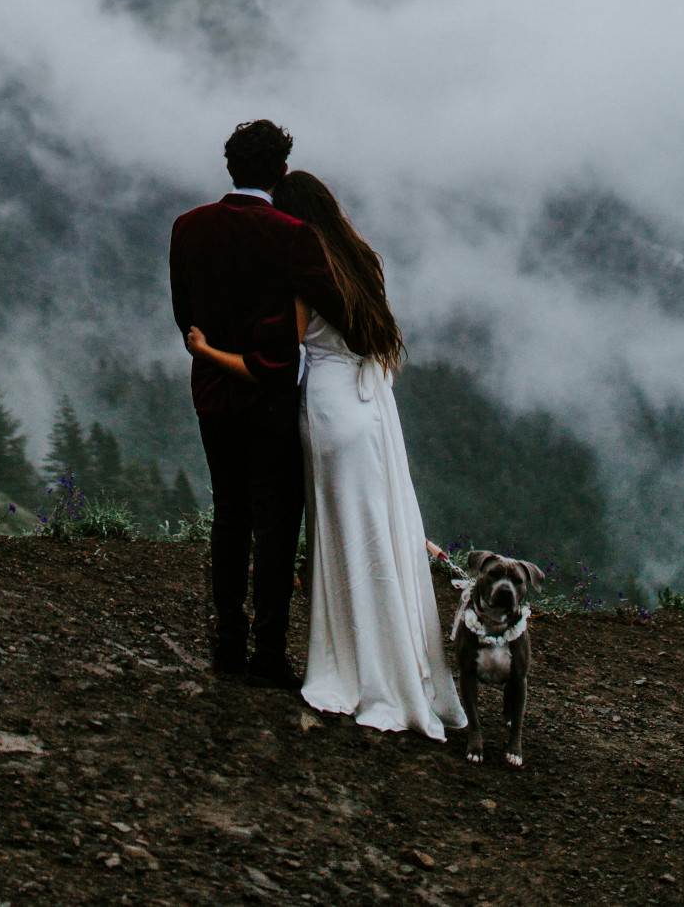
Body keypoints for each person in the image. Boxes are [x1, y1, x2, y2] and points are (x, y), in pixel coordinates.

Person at [188, 168, 464, 742]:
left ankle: (357, 668)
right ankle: (398, 663)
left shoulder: (301, 271)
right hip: (370, 411)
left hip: (329, 411)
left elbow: (279, 358)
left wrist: (208, 350)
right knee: (377, 534)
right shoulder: (360, 263)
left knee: (343, 544)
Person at [169, 119, 344, 686]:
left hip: (212, 394)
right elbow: (333, 308)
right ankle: (269, 653)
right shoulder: (294, 236)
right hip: (270, 401)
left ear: (230, 168)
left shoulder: (187, 228)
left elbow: (184, 315)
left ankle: (226, 644)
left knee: (229, 514)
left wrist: (212, 350)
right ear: (282, 172)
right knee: (276, 523)